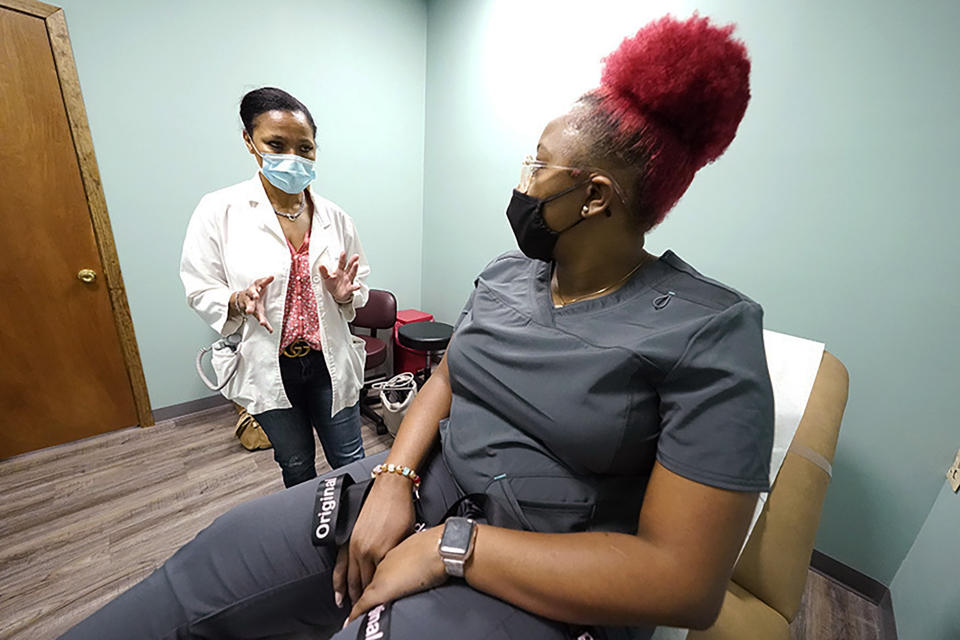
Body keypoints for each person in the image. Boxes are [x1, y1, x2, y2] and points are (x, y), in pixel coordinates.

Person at [60, 16, 772, 640]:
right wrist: (396, 476)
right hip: (423, 488)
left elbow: (683, 583)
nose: (522, 181)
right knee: (214, 562)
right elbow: (453, 375)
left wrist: (445, 548)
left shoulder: (709, 334)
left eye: (537, 166)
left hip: (550, 561)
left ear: (593, 197)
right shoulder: (505, 275)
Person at [179, 87, 370, 486]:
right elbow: (199, 287)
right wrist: (235, 299)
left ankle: (355, 532)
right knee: (296, 465)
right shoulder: (219, 210)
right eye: (276, 145)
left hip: (328, 361)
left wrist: (345, 295)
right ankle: (310, 536)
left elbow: (359, 280)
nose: (293, 158)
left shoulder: (337, 217)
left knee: (350, 458)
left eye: (305, 148)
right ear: (250, 142)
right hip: (269, 363)